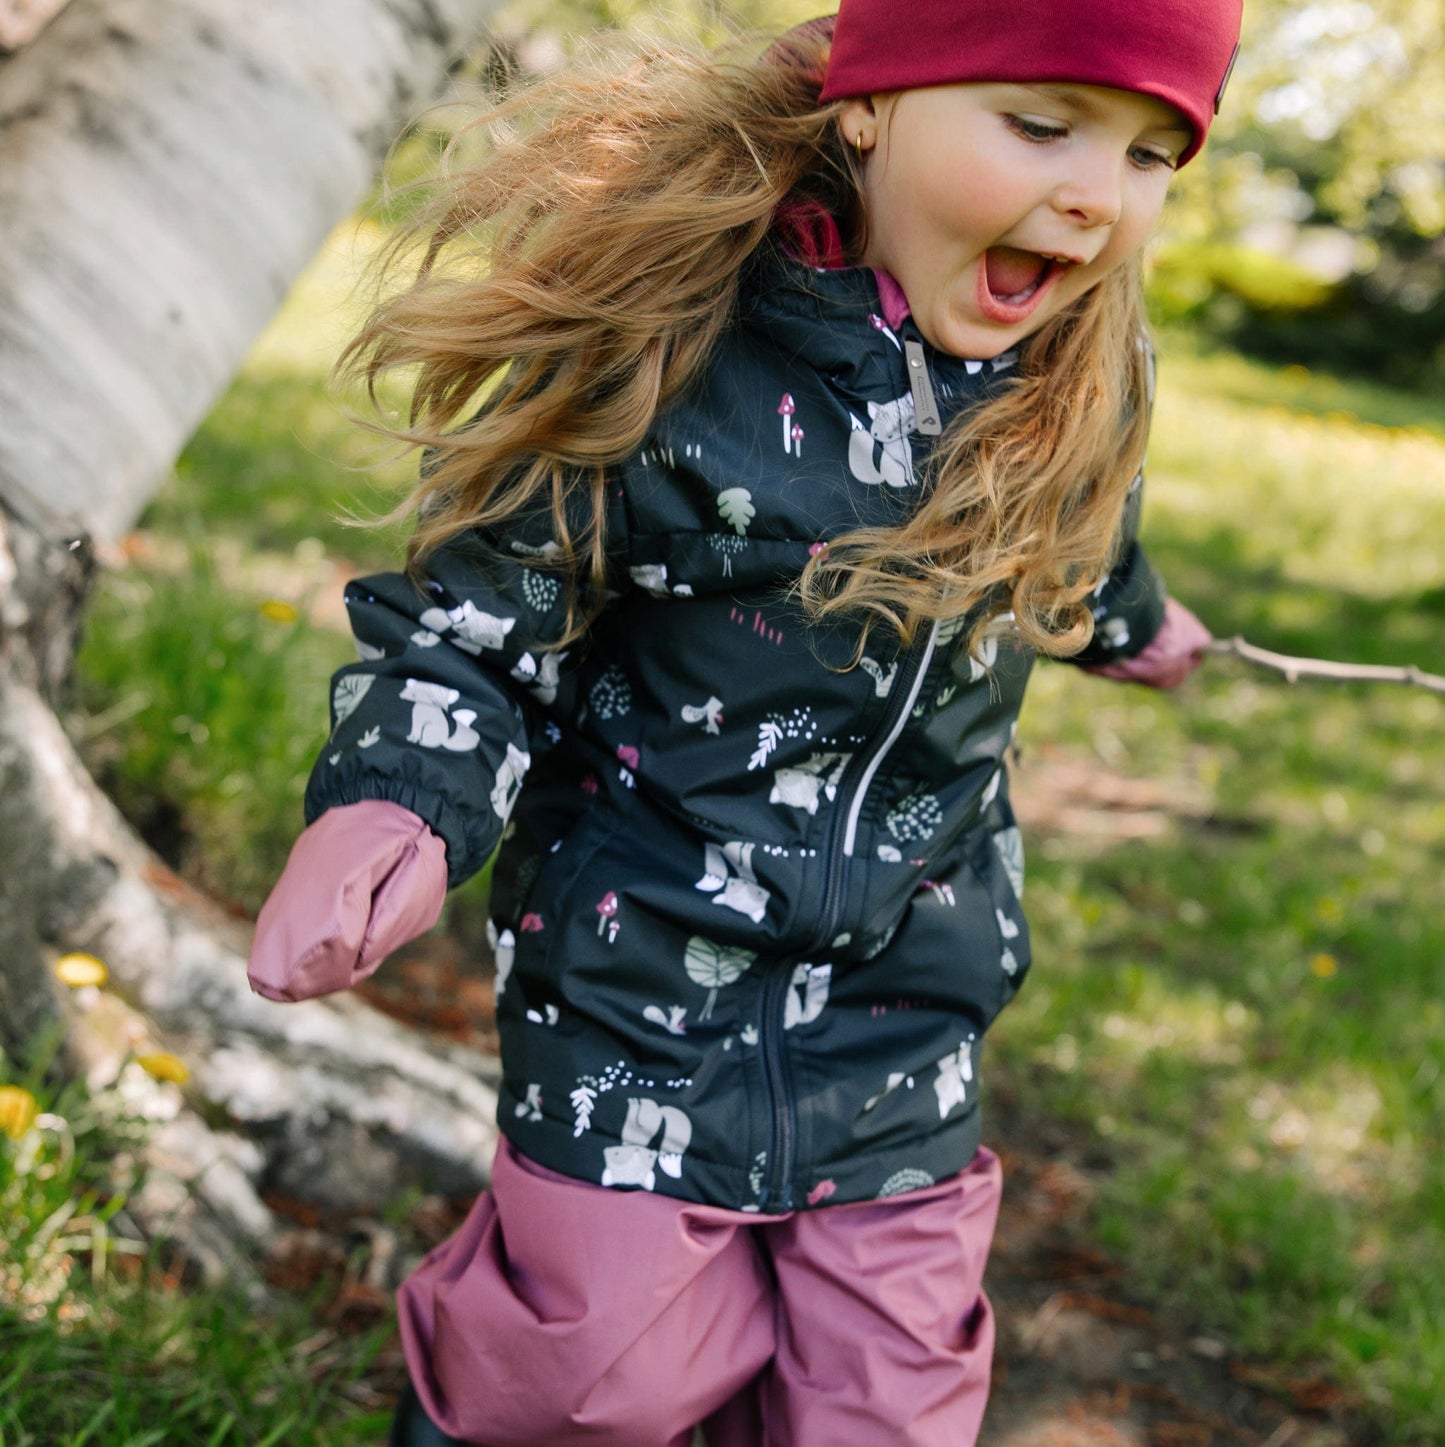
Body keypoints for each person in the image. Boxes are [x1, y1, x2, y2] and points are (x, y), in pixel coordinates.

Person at [248, 2, 1239, 1442]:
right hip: (638, 974)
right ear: (869, 108)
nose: (1099, 195)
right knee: (583, 1384)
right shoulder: (669, 353)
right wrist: (395, 800)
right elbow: (482, 625)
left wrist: (1136, 627)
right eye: (1039, 125)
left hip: (909, 990)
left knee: (884, 1408)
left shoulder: (1076, 370)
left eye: (1153, 156)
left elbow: (1076, 543)